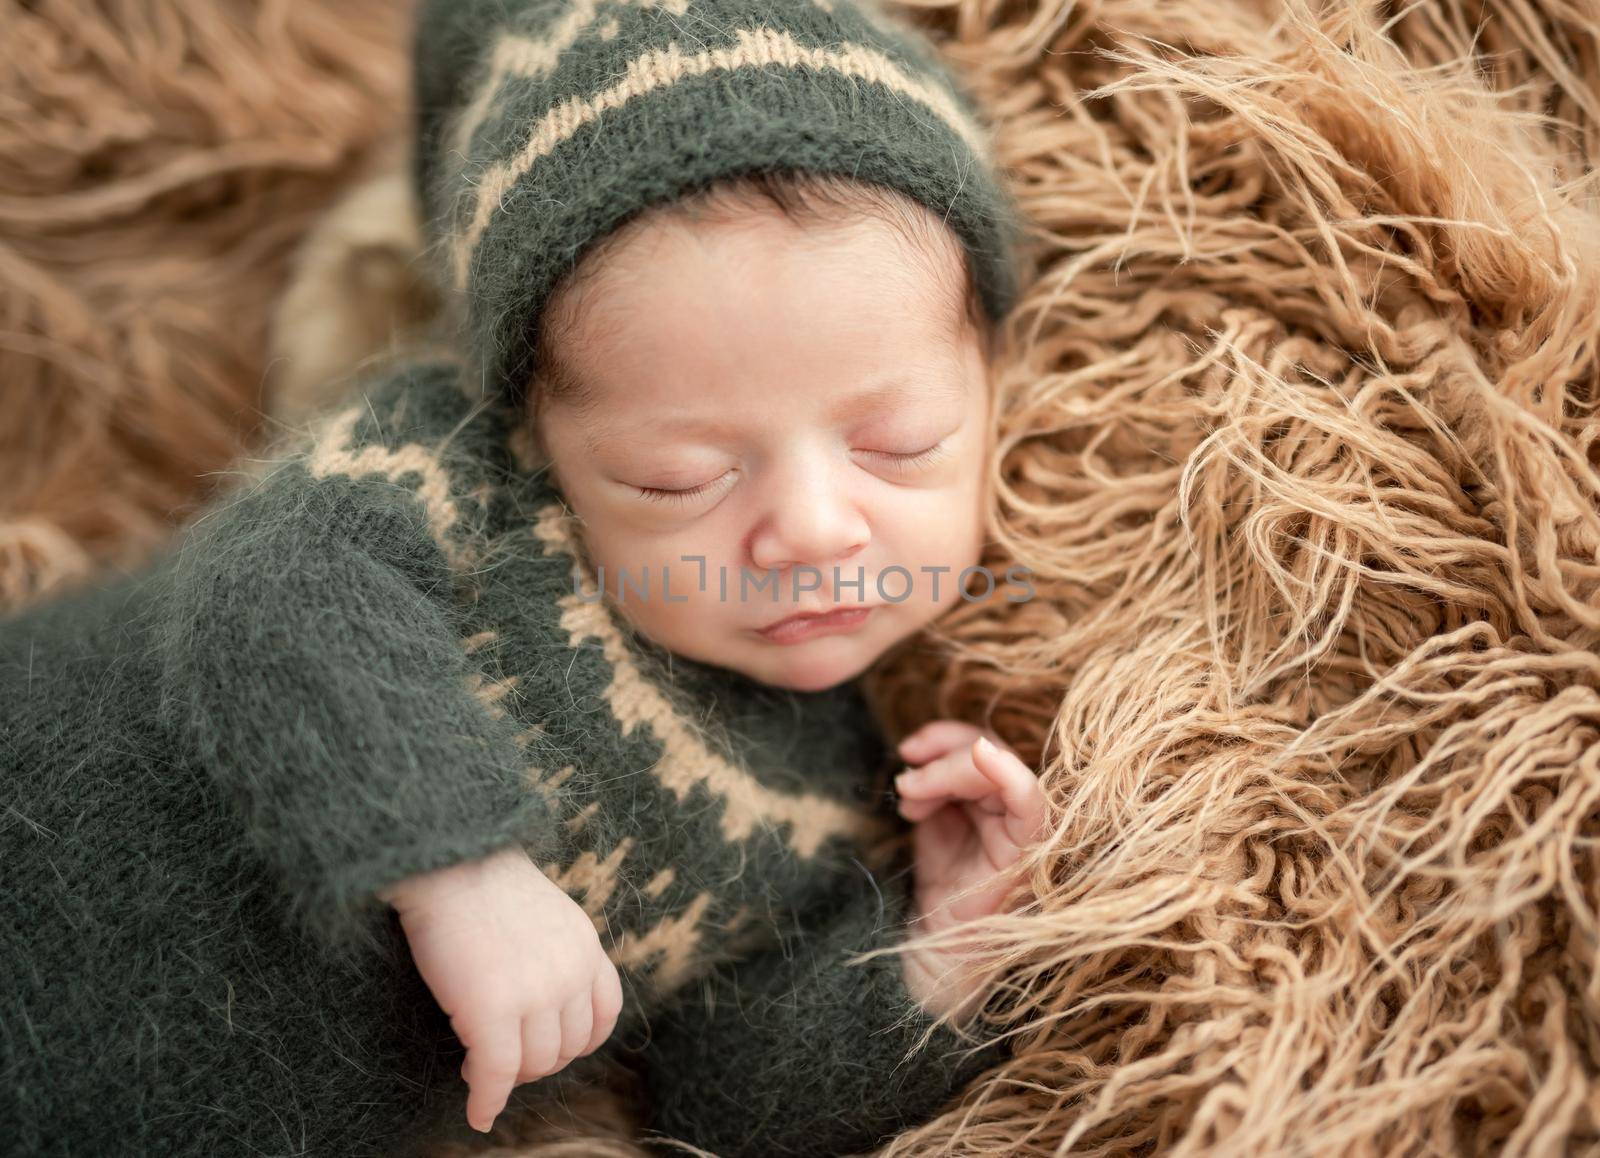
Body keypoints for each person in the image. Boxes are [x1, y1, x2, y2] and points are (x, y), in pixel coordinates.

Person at [0, 0, 1041, 1153]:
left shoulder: (847, 792)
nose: (809, 528)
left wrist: (944, 956)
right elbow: (271, 589)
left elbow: (730, 1103)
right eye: (676, 476)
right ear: (535, 431)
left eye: (899, 444)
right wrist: (461, 869)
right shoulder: (449, 471)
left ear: (991, 389)